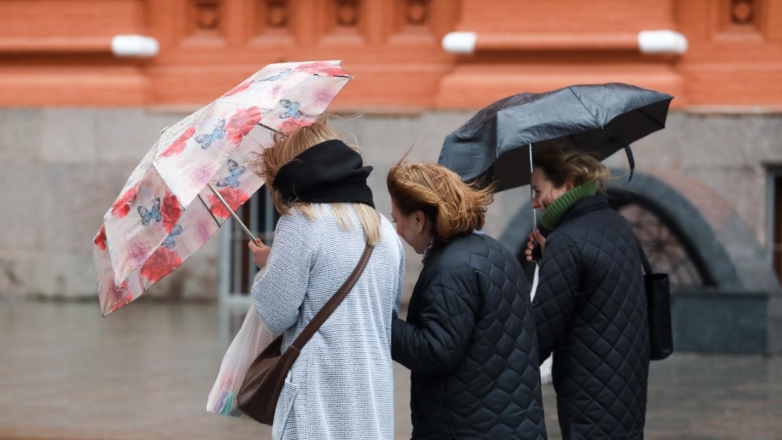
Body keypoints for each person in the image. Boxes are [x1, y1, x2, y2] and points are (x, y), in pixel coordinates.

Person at [248, 122, 405, 440]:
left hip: (318, 402)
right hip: (372, 400)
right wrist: (277, 261)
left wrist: (265, 271)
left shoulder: (301, 222)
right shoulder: (386, 231)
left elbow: (277, 314)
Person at [387, 161, 548, 440]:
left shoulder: (449, 268)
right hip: (513, 425)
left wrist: (380, 323)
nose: (397, 231)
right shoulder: (497, 252)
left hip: (465, 429)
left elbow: (437, 351)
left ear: (418, 219)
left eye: (396, 219)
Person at [525, 146, 649, 440]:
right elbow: (596, 291)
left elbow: (539, 333)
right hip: (627, 387)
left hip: (590, 393)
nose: (533, 202)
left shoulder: (566, 241)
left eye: (537, 191)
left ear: (567, 186)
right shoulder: (617, 225)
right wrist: (550, 259)